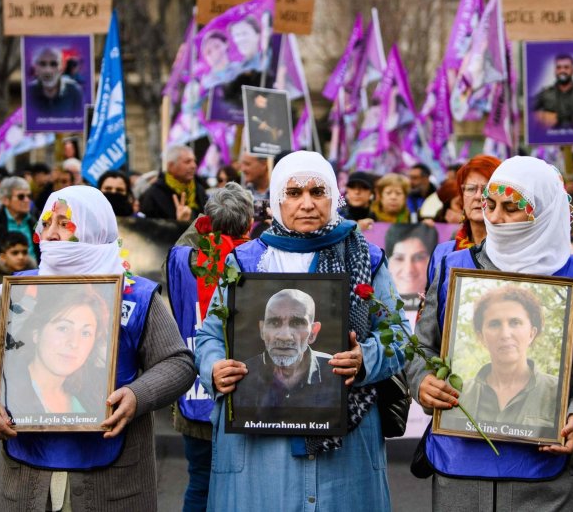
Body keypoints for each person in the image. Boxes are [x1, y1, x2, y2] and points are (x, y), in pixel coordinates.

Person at [407, 156, 573, 511]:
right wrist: (422, 380)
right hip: (460, 470)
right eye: (490, 205)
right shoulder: (454, 267)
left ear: (541, 211)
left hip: (547, 477)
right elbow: (420, 347)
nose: (496, 218)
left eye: (511, 208)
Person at [195, 151, 410, 511]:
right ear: (277, 198)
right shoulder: (246, 261)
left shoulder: (365, 257)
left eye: (317, 192)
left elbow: (397, 332)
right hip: (260, 440)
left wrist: (364, 359)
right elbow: (211, 335)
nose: (307, 204)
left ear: (334, 197)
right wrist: (214, 367)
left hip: (345, 438)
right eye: (293, 193)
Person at [0, 185, 196, 510]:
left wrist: (138, 395)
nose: (50, 235)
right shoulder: (18, 291)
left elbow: (178, 363)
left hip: (114, 482)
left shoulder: (136, 296)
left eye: (63, 224)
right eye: (46, 224)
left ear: (93, 229)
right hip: (26, 477)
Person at [165, 182, 253, 512]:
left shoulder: (181, 260)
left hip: (195, 392)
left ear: (206, 220)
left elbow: (183, 245)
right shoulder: (256, 261)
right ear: (249, 224)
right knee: (245, 486)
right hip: (243, 394)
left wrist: (206, 220)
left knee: (200, 480)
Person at [445, 285, 559, 431]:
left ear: (532, 333)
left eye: (515, 322)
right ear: (481, 337)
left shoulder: (558, 393)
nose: (505, 334)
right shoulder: (458, 395)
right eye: (494, 324)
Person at [4, 290, 111, 415]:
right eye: (63, 328)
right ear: (36, 333)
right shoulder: (5, 394)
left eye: (85, 333)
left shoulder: (94, 402)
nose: (74, 343)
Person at [234, 289, 338, 410]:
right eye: (274, 322)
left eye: (297, 322)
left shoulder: (335, 373)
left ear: (313, 333)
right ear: (262, 330)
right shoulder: (241, 376)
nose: (284, 336)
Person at [428, 155, 502, 285]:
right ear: (461, 197)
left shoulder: (514, 254)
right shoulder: (443, 253)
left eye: (487, 189)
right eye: (470, 189)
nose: (478, 196)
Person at [140, 144, 208, 221]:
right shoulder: (153, 194)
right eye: (187, 162)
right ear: (171, 166)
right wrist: (179, 223)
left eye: (194, 161)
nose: (194, 166)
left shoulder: (199, 189)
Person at [533, 53, 573, 129]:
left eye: (566, 67)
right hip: (552, 138)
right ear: (555, 71)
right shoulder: (544, 93)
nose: (562, 70)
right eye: (558, 67)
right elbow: (529, 111)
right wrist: (541, 117)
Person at [385, 223, 439, 298]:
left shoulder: (444, 304)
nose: (408, 269)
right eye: (399, 258)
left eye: (419, 258)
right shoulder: (375, 303)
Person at [27, 46, 84, 116]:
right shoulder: (28, 92)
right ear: (35, 68)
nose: (48, 70)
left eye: (54, 64)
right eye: (42, 64)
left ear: (62, 68)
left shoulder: (74, 91)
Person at [0, 232, 36, 300]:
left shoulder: (36, 278)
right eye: (15, 253)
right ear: (3, 257)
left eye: (24, 252)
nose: (21, 257)